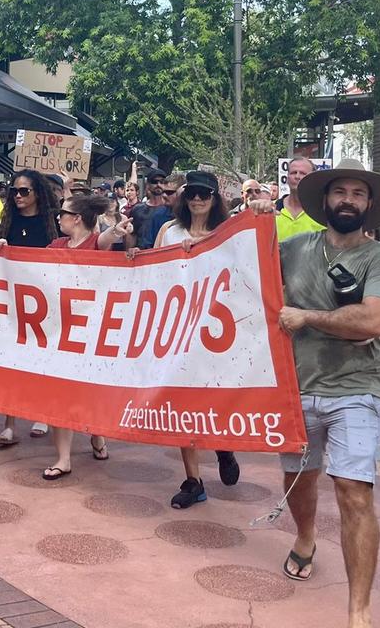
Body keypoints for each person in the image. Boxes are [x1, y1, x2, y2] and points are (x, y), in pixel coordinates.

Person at [260, 159, 380, 628]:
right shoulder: (293, 249)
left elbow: (371, 321)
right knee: (299, 479)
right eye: (340, 192)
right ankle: (305, 536)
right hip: (294, 388)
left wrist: (306, 316)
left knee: (354, 492)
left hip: (358, 388)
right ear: (325, 201)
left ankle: (359, 612)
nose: (348, 200)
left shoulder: (377, 258)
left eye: (358, 193)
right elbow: (238, 271)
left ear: (369, 205)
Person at [149, 172, 241, 508]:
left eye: (204, 194)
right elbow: (153, 271)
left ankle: (222, 445)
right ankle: (193, 480)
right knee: (180, 401)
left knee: (213, 397)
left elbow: (241, 272)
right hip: (176, 329)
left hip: (216, 331)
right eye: (192, 194)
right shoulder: (169, 231)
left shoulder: (227, 234)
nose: (198, 200)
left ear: (216, 198)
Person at [41, 195, 130, 479]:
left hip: (92, 329)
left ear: (76, 218)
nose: (58, 217)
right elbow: (29, 266)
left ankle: (96, 433)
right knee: (57, 392)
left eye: (63, 213)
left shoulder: (95, 243)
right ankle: (63, 458)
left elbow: (105, 239)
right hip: (61, 329)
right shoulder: (55, 246)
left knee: (90, 389)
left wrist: (117, 231)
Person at [0, 169, 60, 445]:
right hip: (14, 300)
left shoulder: (52, 222)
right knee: (12, 360)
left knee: (41, 360)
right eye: (14, 191)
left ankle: (41, 413)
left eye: (24, 191)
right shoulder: (8, 220)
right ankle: (9, 422)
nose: (18, 196)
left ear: (37, 194)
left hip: (46, 303)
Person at [277, 157, 326, 241]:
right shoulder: (272, 209)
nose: (297, 176)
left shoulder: (323, 212)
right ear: (287, 177)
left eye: (303, 173)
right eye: (293, 172)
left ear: (312, 179)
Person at [125, 169, 169, 250]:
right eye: (154, 181)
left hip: (164, 254)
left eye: (162, 181)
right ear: (147, 185)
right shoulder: (137, 209)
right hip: (141, 255)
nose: (158, 184)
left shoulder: (172, 208)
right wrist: (129, 251)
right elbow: (132, 234)